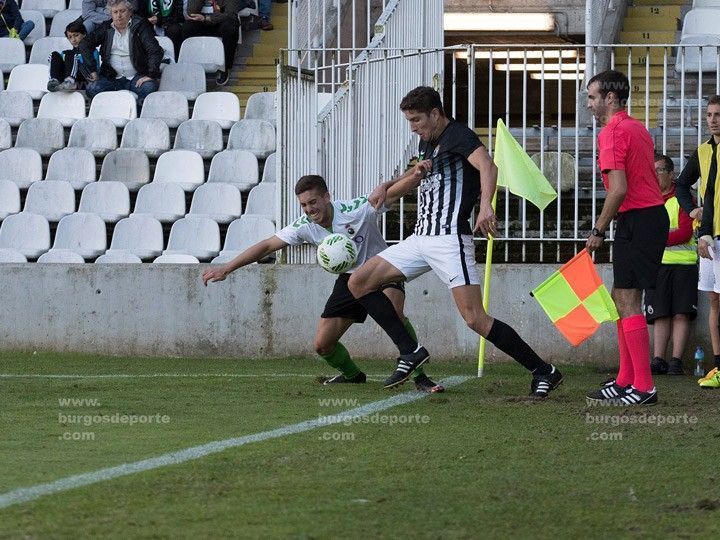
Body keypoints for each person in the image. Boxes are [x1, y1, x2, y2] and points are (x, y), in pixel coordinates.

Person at [346, 86, 563, 397]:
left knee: (475, 319)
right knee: (359, 282)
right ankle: (410, 352)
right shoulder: (427, 142)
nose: (413, 127)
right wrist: (389, 184)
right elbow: (421, 175)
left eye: (417, 120)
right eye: (409, 121)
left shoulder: (459, 135)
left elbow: (489, 166)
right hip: (421, 238)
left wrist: (486, 204)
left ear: (436, 114)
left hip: (449, 240)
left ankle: (544, 371)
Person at [201, 174, 445, 393]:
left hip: (381, 270)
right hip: (349, 279)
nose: (309, 209)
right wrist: (226, 268)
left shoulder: (355, 209)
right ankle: (353, 375)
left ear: (327, 197)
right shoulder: (303, 226)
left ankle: (421, 375)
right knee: (322, 345)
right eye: (304, 205)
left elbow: (393, 193)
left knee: (396, 312)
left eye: (313, 202)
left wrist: (418, 174)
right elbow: (266, 246)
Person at [584, 70, 669, 406]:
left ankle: (644, 387)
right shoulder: (636, 127)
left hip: (639, 219)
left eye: (592, 97)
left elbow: (619, 189)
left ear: (610, 98)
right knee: (621, 298)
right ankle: (625, 380)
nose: (589, 104)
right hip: (645, 218)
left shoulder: (613, 132)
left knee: (628, 301)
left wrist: (598, 230)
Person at [675, 95, 720, 379]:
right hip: (709, 239)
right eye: (709, 115)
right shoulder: (703, 151)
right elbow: (682, 184)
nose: (713, 120)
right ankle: (718, 365)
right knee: (714, 301)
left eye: (717, 114)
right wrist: (693, 211)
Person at [643, 154, 698, 376]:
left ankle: (675, 361)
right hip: (656, 266)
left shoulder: (684, 198)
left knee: (681, 313)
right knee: (660, 314)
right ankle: (658, 360)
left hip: (683, 265)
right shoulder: (647, 199)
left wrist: (655, 238)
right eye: (652, 171)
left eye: (659, 171)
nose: (655, 176)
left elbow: (685, 232)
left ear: (671, 173)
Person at [81, 0, 163, 109]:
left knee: (149, 87)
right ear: (111, 14)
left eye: (122, 11)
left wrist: (151, 74)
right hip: (112, 78)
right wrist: (92, 70)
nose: (119, 15)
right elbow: (84, 43)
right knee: (92, 88)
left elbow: (155, 50)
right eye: (115, 12)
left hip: (136, 77)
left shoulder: (140, 26)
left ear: (130, 12)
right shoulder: (106, 27)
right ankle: (110, 115)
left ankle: (137, 118)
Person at [185, 0, 240, 86]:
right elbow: (191, 12)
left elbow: (230, 14)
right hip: (203, 24)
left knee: (231, 26)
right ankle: (189, 67)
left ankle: (225, 67)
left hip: (221, 24)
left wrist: (207, 18)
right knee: (188, 27)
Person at [47, 21, 100, 92]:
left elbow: (95, 71)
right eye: (70, 37)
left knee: (70, 54)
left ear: (84, 35)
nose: (73, 40)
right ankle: (54, 81)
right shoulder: (65, 53)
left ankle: (70, 81)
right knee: (55, 54)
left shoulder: (92, 51)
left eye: (76, 35)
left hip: (85, 82)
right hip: (65, 82)